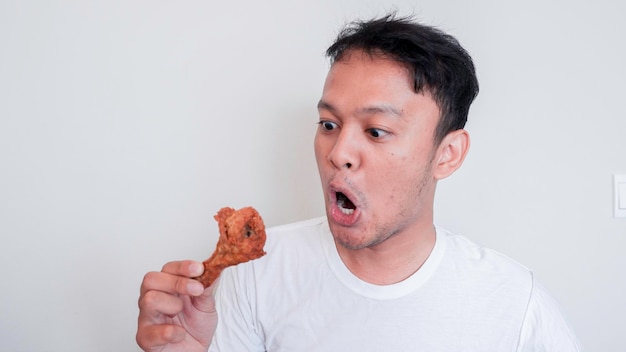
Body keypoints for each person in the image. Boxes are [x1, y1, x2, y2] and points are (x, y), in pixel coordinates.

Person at [137, 14, 582, 351]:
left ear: (446, 155)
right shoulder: (257, 275)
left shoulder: (514, 306)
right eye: (328, 124)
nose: (338, 153)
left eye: (375, 131)